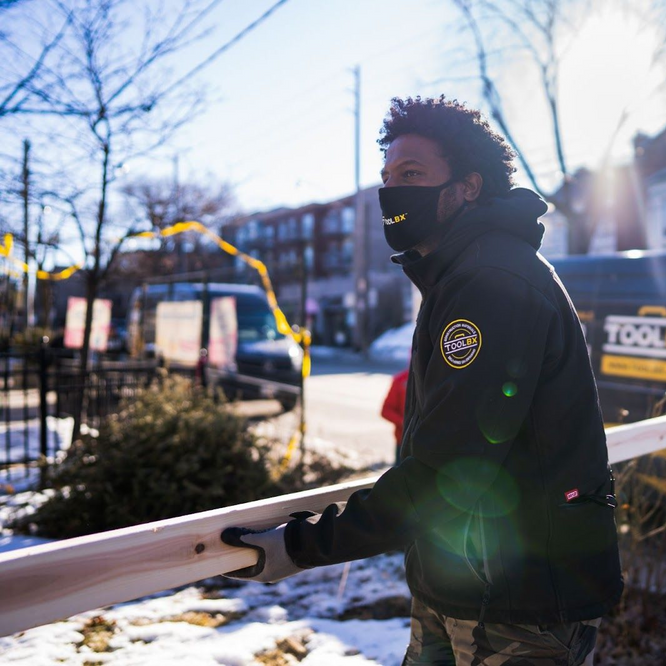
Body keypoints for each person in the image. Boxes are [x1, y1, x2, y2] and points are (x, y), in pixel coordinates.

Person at [222, 96, 622, 665]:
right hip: (461, 582)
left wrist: (299, 545)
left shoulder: (490, 284)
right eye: (387, 177)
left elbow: (448, 470)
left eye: (412, 175)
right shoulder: (463, 275)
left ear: (467, 187)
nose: (392, 192)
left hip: (518, 604)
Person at [382, 367, 409, 462]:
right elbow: (386, 410)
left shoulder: (436, 379)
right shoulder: (400, 380)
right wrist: (403, 422)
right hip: (404, 441)